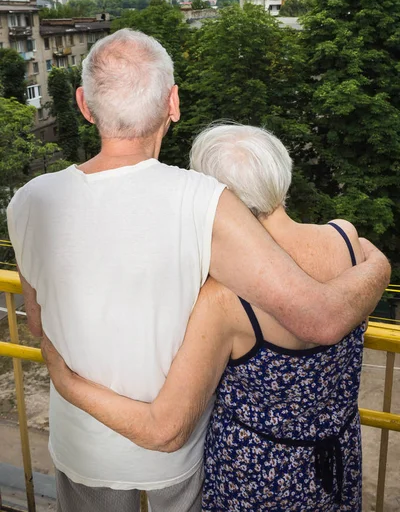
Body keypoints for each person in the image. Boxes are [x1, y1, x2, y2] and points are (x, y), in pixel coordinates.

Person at [8, 29, 388, 512]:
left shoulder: (30, 200)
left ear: (83, 104)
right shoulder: (204, 201)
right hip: (174, 461)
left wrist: (67, 379)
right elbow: (319, 318)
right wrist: (378, 263)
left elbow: (39, 325)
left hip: (81, 443)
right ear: (173, 103)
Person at [43, 125, 373, 511]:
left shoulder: (223, 297)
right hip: (338, 462)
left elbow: (164, 430)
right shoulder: (347, 238)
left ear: (213, 196)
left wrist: (67, 383)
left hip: (255, 478)